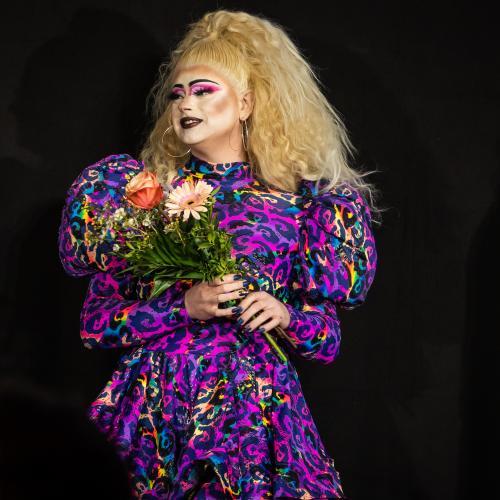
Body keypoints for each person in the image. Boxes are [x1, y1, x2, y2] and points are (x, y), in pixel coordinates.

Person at [58, 9, 380, 499]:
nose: (186, 102)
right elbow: (95, 325)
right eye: (177, 93)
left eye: (204, 90)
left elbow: (327, 340)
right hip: (155, 415)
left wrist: (285, 315)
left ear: (246, 103)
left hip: (252, 421)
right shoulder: (142, 196)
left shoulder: (299, 204)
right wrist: (183, 306)